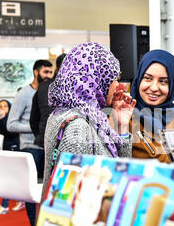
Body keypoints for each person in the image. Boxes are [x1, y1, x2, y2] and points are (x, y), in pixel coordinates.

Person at [42, 42, 136, 193]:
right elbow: (69, 194)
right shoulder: (77, 126)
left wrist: (121, 127)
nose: (116, 85)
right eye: (113, 78)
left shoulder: (65, 113)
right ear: (98, 81)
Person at [129, 49, 174, 164]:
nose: (154, 88)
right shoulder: (123, 120)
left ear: (172, 86)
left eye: (163, 81)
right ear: (139, 79)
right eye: (148, 78)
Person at [7, 60, 52, 226]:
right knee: (32, 193)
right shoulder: (24, 93)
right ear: (36, 72)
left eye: (50, 72)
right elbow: (11, 124)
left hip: (47, 147)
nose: (48, 75)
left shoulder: (48, 92)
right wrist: (38, 128)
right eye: (45, 72)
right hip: (30, 149)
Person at [30, 53, 67, 148]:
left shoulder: (42, 86)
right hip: (66, 142)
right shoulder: (74, 88)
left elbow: (33, 119)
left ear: (56, 68)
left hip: (44, 141)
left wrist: (41, 135)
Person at [0, 99, 20, 215]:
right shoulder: (0, 118)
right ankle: (22, 199)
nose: (2, 108)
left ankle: (4, 205)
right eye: (0, 106)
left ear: (9, 108)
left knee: (8, 176)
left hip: (13, 147)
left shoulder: (11, 120)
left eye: (5, 106)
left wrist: (4, 119)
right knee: (15, 176)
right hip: (5, 148)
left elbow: (10, 132)